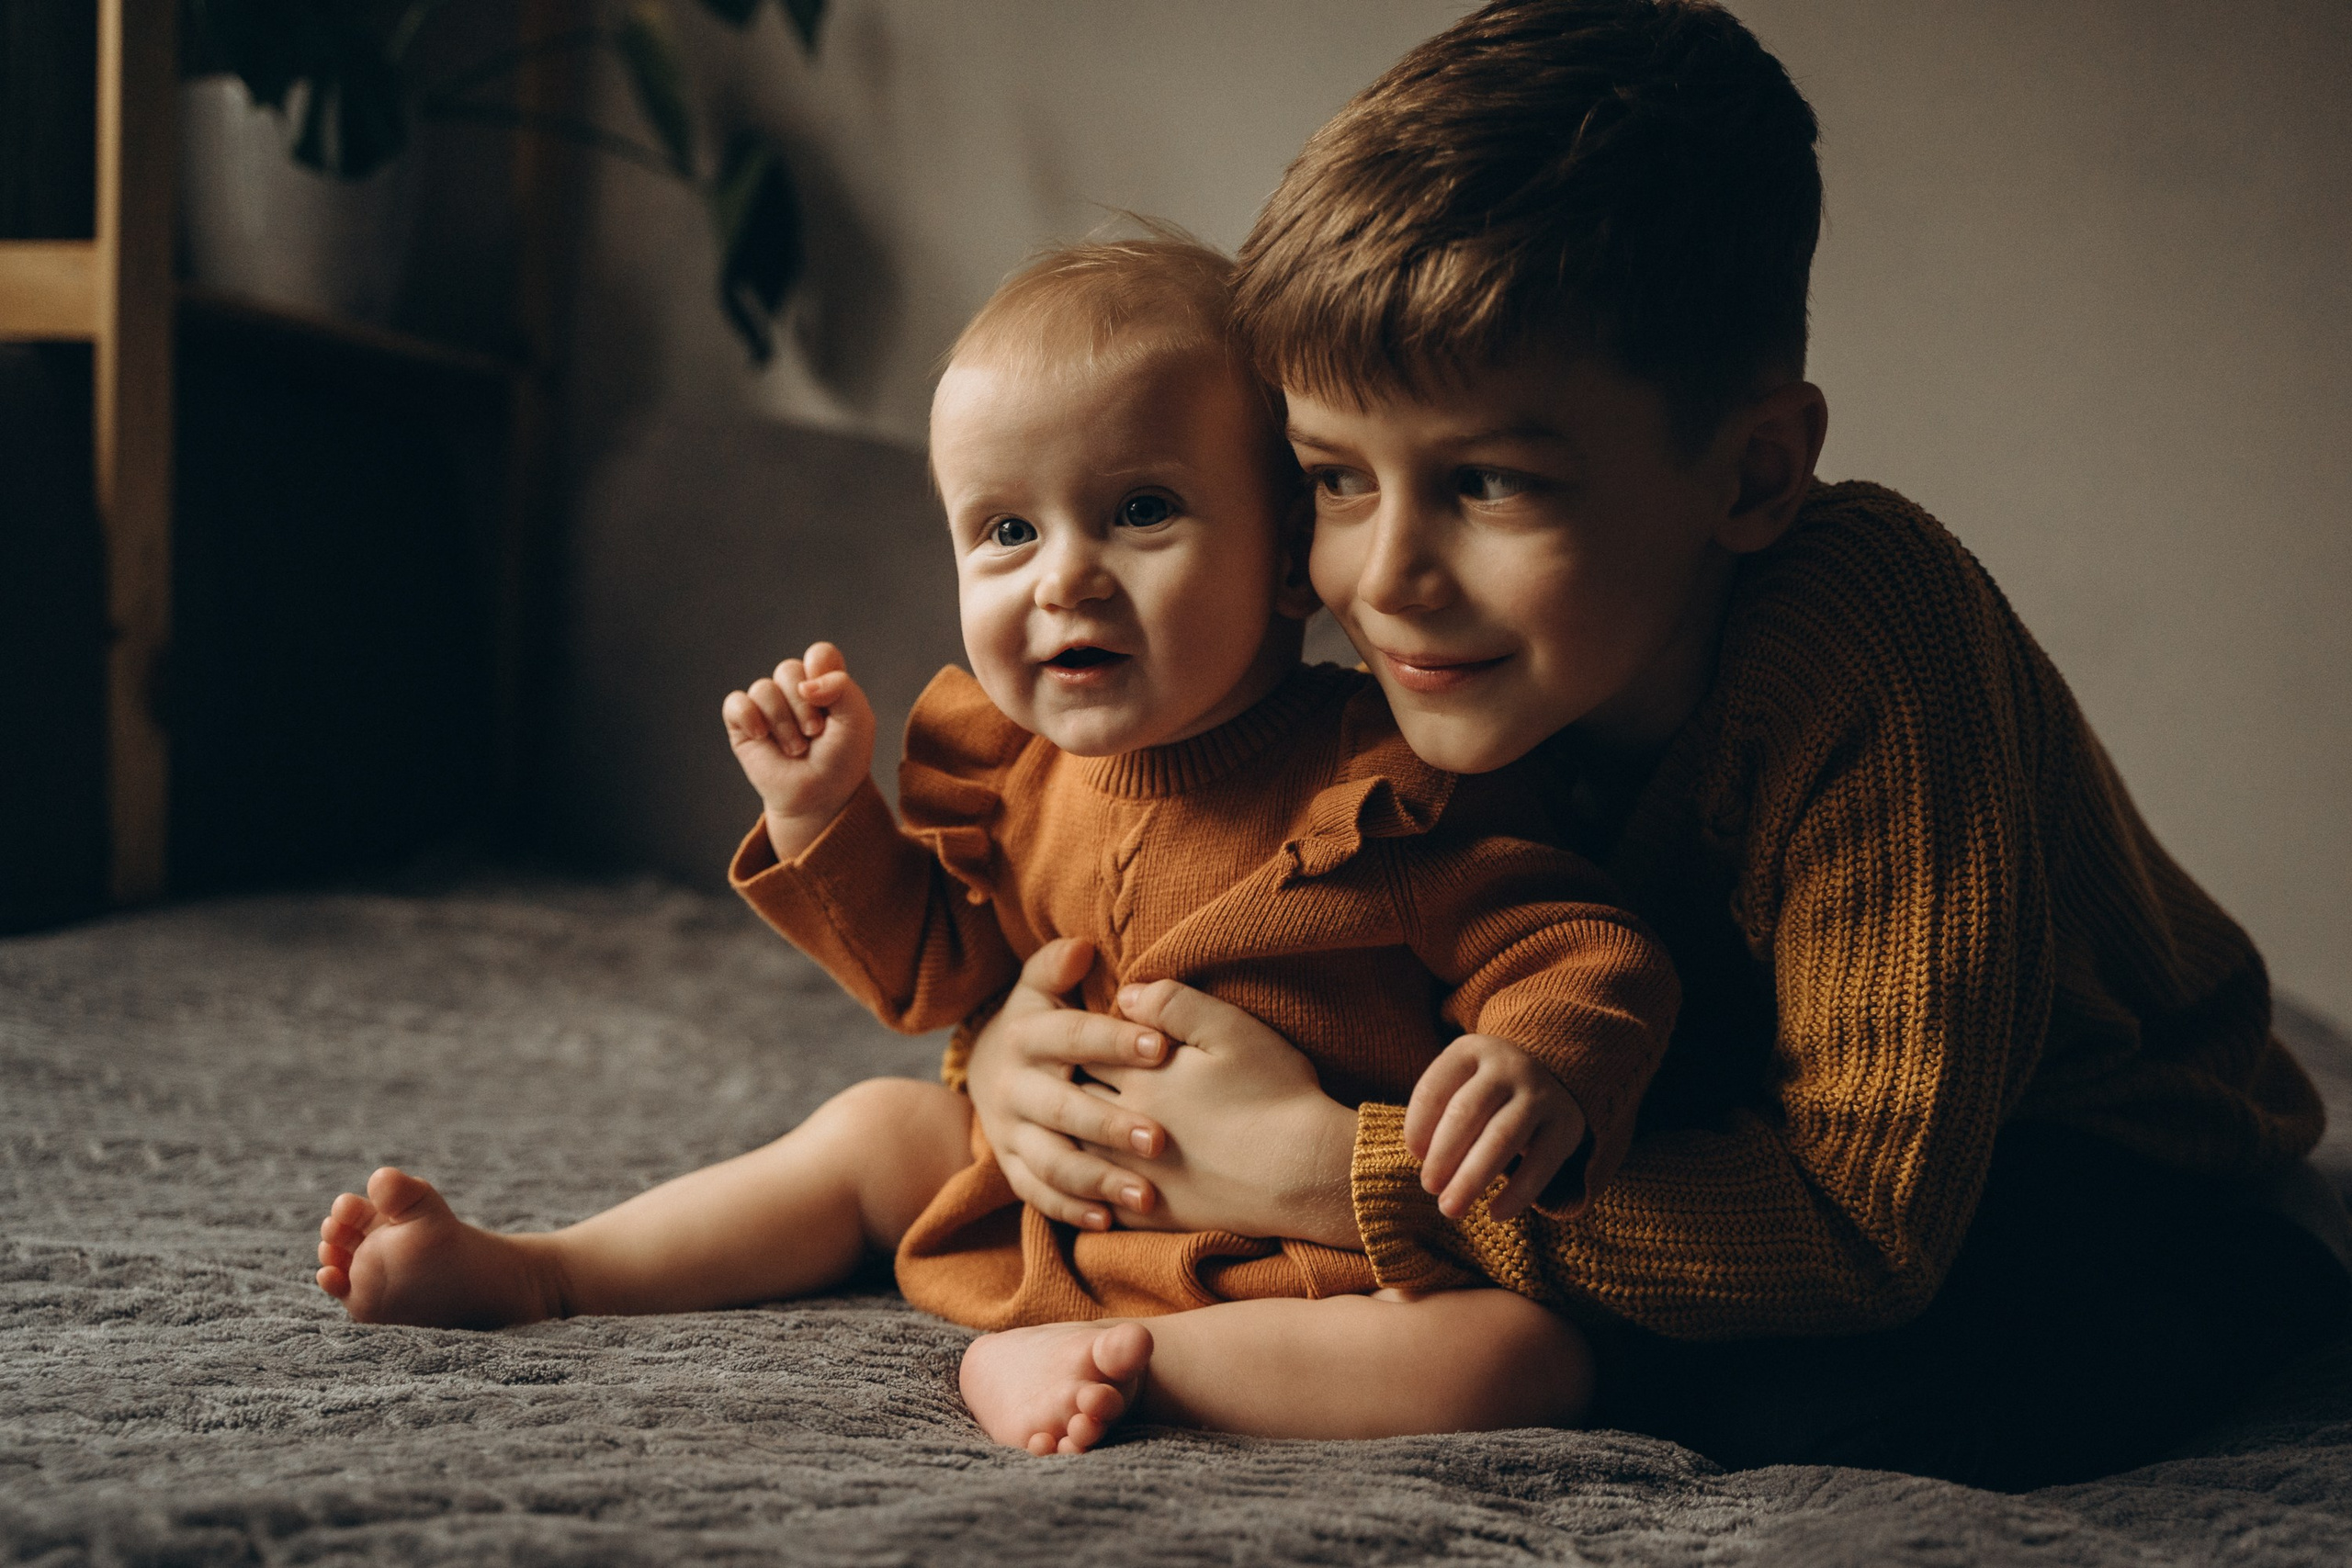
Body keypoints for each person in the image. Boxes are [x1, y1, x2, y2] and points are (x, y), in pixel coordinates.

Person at [951, 0, 2352, 1491]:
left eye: (1489, 483)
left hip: (2066, 1148)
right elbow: (1224, 927)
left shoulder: (1871, 642)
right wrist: (1016, 1065)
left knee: (1831, 1418)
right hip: (1674, 1093)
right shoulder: (1397, 667)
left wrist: (1319, 1170)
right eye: (1334, 478)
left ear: (1752, 473)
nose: (1383, 580)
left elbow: (1863, 1228)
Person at [312, 235, 1683, 1457]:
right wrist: (824, 817)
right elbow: (943, 976)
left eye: (1142, 509)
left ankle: (1136, 1371)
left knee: (1524, 1353)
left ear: (1287, 560)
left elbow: (1578, 945)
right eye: (1007, 531)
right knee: (876, 1128)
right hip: (1050, 1186)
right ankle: (549, 1269)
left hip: (1299, 1256)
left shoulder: (1390, 778)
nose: (1064, 574)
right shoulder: (1011, 764)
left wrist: (1542, 1054)